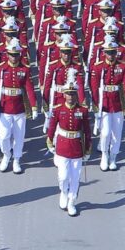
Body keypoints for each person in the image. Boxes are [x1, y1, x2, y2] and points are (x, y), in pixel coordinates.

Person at [46, 71, 92, 216]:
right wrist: (50, 140)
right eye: (68, 94)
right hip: (63, 147)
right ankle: (63, 191)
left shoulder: (82, 110)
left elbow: (87, 130)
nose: (70, 97)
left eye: (73, 94)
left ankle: (72, 201)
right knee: (63, 176)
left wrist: (88, 148)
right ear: (64, 94)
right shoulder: (58, 110)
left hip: (77, 148)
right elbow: (52, 126)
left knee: (75, 177)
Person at [0, 38, 38, 174]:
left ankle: (17, 159)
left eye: (16, 54)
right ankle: (6, 154)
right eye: (11, 54)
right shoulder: (1, 69)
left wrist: (34, 107)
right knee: (3, 137)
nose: (13, 57)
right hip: (5, 108)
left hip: (19, 108)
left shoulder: (24, 69)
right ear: (7, 54)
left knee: (19, 136)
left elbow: (29, 88)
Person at [89, 36, 125, 170]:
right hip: (104, 102)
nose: (110, 55)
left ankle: (113, 157)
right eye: (108, 52)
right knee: (105, 132)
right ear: (104, 53)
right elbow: (94, 88)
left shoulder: (122, 65)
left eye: (113, 52)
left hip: (118, 102)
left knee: (117, 132)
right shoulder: (98, 67)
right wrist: (95, 105)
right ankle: (104, 154)